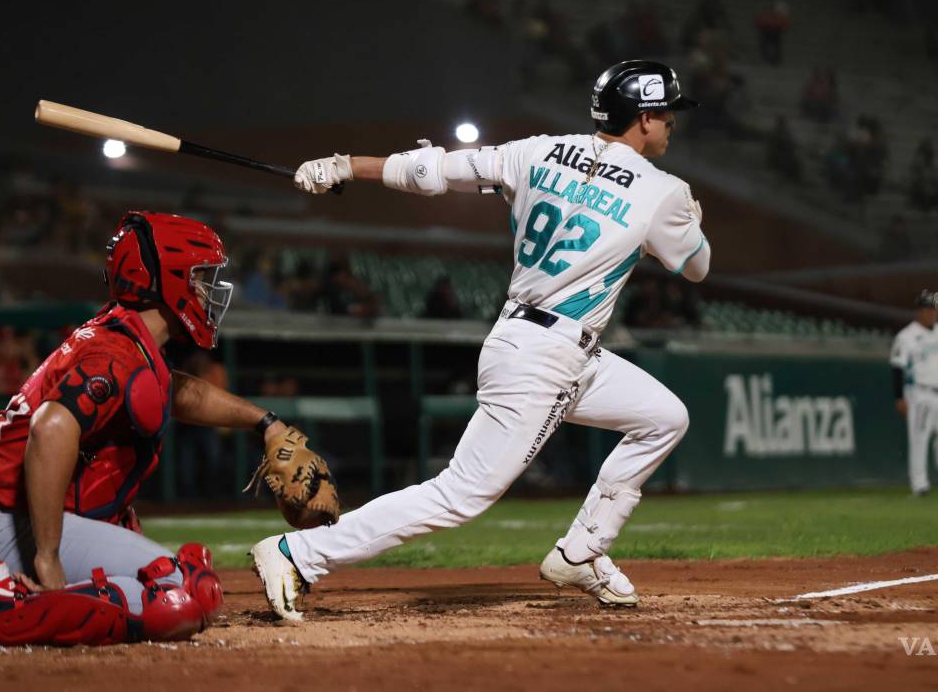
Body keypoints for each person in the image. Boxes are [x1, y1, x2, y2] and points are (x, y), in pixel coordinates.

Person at [253, 59, 710, 620]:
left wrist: (346, 165)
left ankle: (583, 552)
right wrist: (692, 219)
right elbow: (696, 268)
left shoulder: (537, 150)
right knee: (460, 493)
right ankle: (298, 552)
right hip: (543, 357)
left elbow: (431, 170)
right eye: (666, 115)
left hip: (548, 345)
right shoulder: (664, 190)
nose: (671, 126)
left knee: (664, 417)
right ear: (643, 118)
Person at [0, 212, 305, 646]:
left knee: (192, 589)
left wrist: (264, 422)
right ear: (169, 280)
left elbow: (173, 390)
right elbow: (49, 429)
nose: (208, 290)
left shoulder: (123, 337)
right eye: (199, 277)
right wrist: (46, 559)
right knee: (174, 595)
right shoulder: (115, 351)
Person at [890, 290, 938, 499]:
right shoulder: (906, 337)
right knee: (919, 439)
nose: (933, 313)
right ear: (920, 311)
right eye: (929, 309)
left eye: (936, 309)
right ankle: (919, 485)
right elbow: (897, 368)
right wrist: (899, 397)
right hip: (921, 394)